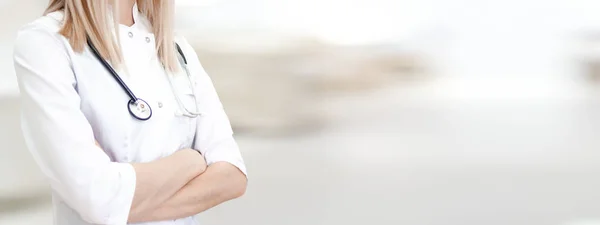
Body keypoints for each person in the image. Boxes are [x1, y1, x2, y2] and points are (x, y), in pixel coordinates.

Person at [13, 0, 248, 224]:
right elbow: (96, 196)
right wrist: (190, 162)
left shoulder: (177, 49)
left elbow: (232, 176)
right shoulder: (45, 42)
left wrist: (122, 209)